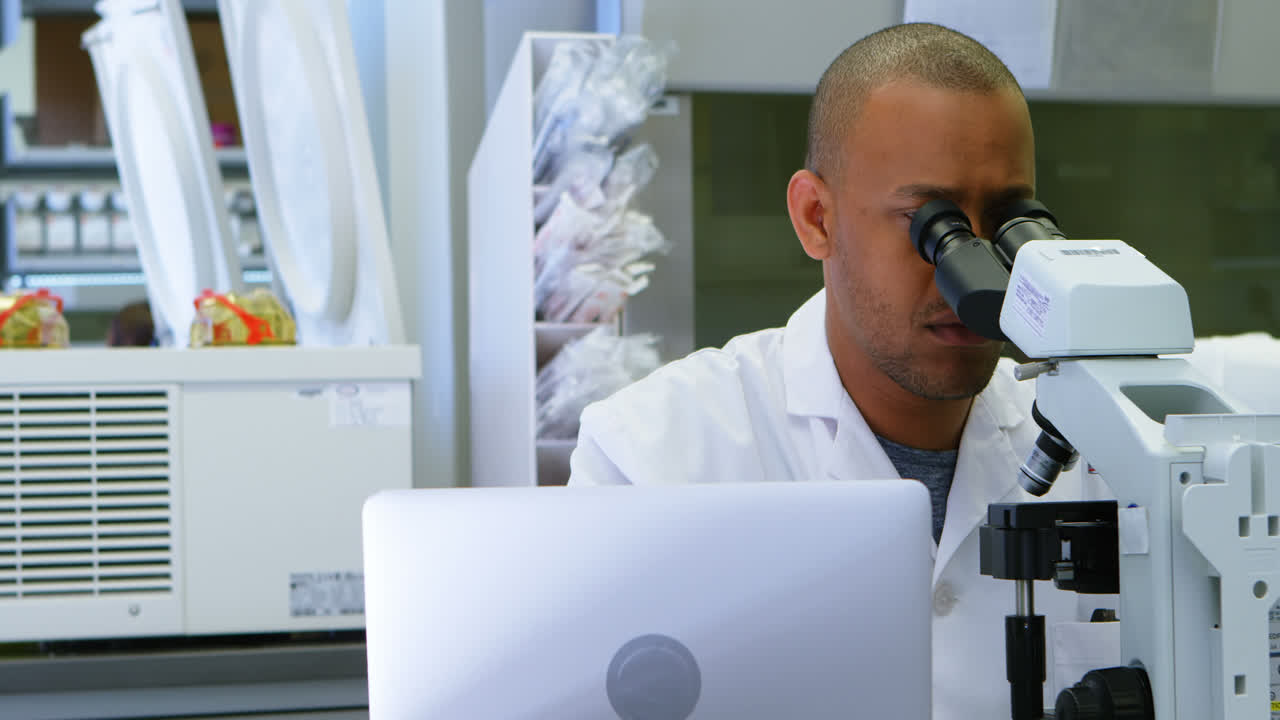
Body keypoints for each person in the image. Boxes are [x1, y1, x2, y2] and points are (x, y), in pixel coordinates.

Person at [568, 22, 1280, 720]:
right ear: (817, 216)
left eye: (1004, 222)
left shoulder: (1121, 428)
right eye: (928, 226)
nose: (970, 280)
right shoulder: (653, 455)